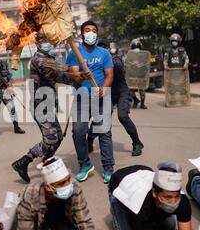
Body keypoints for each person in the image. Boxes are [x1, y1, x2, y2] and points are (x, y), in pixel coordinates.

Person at [11, 34, 91, 183]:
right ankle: (23, 162)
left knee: (58, 137)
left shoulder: (49, 58)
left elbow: (62, 69)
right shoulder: (39, 59)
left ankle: (46, 161)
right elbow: (55, 76)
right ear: (37, 43)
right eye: (43, 41)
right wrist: (77, 77)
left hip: (46, 104)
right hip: (40, 105)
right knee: (51, 139)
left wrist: (76, 74)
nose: (47, 43)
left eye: (49, 40)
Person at [11, 156, 97, 230]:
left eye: (68, 179)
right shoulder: (30, 195)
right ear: (48, 187)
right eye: (61, 183)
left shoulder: (74, 187)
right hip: (33, 222)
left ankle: (54, 226)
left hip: (60, 217)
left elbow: (85, 222)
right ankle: (40, 228)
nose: (68, 185)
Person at [109, 162, 196, 230]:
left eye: (176, 196)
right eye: (168, 197)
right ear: (154, 192)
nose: (173, 202)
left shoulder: (183, 200)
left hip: (144, 170)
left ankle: (146, 220)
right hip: (120, 185)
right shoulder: (138, 206)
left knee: (169, 226)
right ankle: (118, 209)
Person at [67, 20, 115, 184]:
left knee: (104, 133)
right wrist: (82, 76)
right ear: (81, 35)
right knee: (78, 132)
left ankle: (108, 168)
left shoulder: (104, 53)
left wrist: (104, 88)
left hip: (101, 99)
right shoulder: (74, 53)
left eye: (94, 30)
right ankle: (85, 165)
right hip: (82, 99)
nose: (91, 33)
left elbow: (109, 75)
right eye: (87, 30)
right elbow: (74, 76)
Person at [87, 39, 144, 157]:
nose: (103, 49)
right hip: (106, 93)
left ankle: (137, 142)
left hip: (121, 92)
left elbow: (118, 65)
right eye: (100, 47)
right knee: (100, 119)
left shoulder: (116, 59)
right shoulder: (95, 62)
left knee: (123, 116)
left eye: (105, 47)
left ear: (109, 48)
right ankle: (90, 139)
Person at [0, 47, 25, 139]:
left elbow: (9, 75)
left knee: (12, 108)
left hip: (5, 90)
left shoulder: (4, 63)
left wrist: (10, 83)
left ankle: (16, 127)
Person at [129, 39, 149, 109]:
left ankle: (142, 104)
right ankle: (135, 100)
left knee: (142, 90)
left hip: (141, 74)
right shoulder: (129, 55)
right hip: (132, 74)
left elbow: (146, 64)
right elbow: (127, 64)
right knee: (130, 89)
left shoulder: (143, 55)